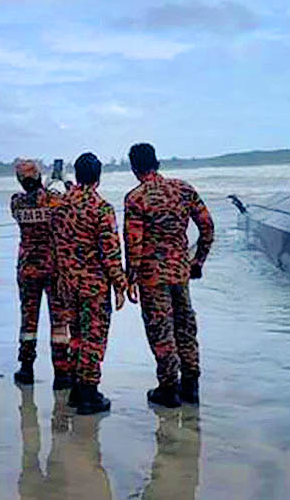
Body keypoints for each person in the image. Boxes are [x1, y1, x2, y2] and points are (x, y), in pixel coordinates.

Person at [123, 143, 214, 407]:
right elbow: (207, 227)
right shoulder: (184, 189)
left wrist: (130, 277)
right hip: (180, 272)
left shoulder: (136, 198)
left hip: (152, 277)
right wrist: (198, 261)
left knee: (160, 329)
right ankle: (191, 385)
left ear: (134, 168)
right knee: (185, 326)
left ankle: (168, 388)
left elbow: (134, 242)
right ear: (157, 163)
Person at [51, 152, 127, 415]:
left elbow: (55, 244)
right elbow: (110, 252)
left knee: (76, 336)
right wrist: (120, 285)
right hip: (93, 285)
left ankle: (75, 389)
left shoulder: (59, 206)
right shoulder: (101, 208)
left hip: (67, 283)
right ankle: (88, 392)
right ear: (98, 177)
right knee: (93, 338)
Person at [10, 158, 72, 388]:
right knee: (59, 321)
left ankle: (26, 368)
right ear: (38, 177)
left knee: (28, 320)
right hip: (53, 268)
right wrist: (64, 182)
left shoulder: (16, 202)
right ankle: (62, 373)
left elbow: (32, 200)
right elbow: (70, 202)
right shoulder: (53, 200)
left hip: (28, 268)